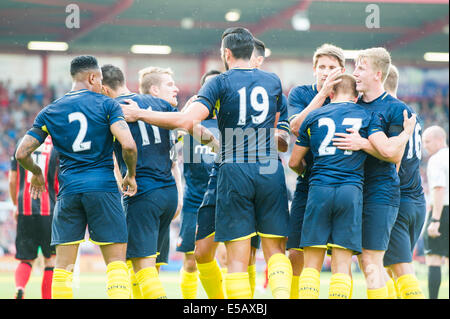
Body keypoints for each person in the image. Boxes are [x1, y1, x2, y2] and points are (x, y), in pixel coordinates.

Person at [120, 27, 292, 299]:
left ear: (226, 53)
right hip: (270, 169)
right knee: (275, 252)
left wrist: (139, 113)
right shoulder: (273, 81)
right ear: (253, 53)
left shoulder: (221, 82)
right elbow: (281, 132)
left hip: (235, 169)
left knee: (236, 258)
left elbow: (188, 121)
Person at [15, 55, 138, 299]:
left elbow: (21, 153)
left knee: (62, 269)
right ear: (92, 77)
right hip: (103, 188)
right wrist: (130, 175)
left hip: (69, 192)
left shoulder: (50, 111)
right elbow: (129, 145)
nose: (102, 85)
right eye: (100, 79)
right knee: (116, 264)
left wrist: (37, 174)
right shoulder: (107, 105)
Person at [331, 47, 420, 298]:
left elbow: (393, 155)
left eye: (361, 67)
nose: (355, 72)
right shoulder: (353, 105)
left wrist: (362, 144)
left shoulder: (396, 109)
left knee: (372, 260)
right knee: (365, 262)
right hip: (352, 190)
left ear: (377, 74)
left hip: (381, 191)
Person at [289, 74, 383, 299]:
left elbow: (293, 162)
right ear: (356, 95)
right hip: (350, 191)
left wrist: (309, 173)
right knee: (341, 265)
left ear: (330, 94)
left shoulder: (314, 117)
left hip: (319, 189)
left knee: (311, 265)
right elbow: (383, 151)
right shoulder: (367, 116)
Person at [101, 64, 181, 299]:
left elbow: (125, 149)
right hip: (169, 192)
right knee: (150, 267)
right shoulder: (162, 105)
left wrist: (129, 177)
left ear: (104, 89)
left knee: (142, 268)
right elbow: (175, 151)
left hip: (143, 193)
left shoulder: (112, 109)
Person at [286, 43, 345, 298]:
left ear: (342, 70)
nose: (326, 72)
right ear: (314, 69)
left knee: (343, 255)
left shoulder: (352, 95)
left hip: (347, 184)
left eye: (332, 67)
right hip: (309, 182)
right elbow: (296, 127)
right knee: (296, 252)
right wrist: (322, 94)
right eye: (322, 67)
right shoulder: (301, 93)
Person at [176, 69, 220, 299]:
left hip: (225, 198)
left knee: (229, 257)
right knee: (191, 260)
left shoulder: (230, 122)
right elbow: (171, 138)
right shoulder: (189, 121)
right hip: (195, 200)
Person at [9, 136, 59, 299]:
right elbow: (59, 181)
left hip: (25, 209)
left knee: (26, 259)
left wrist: (17, 204)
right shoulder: (56, 145)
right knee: (50, 261)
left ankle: (20, 287)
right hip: (49, 210)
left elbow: (12, 180)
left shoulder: (21, 142)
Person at [422, 125, 449, 299]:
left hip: (443, 211)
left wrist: (435, 220)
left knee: (434, 258)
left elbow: (439, 188)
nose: (424, 145)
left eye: (427, 141)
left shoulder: (437, 159)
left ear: (440, 139)